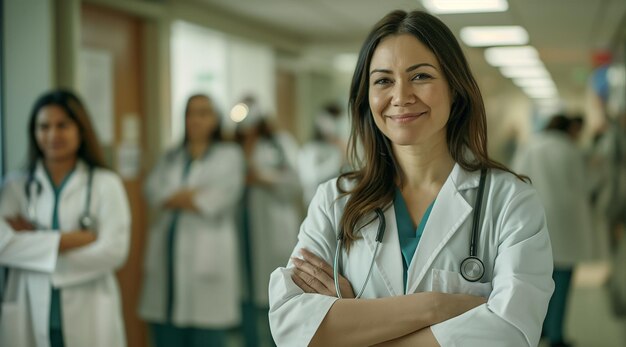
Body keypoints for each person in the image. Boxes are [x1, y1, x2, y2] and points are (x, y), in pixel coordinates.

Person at [268, 10, 554, 347]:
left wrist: (353, 320)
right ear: (367, 97)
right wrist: (436, 307)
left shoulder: (510, 201)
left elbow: (511, 333)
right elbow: (292, 324)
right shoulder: (335, 199)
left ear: (455, 88)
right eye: (383, 80)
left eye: (420, 76)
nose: (401, 96)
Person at [0, 89, 131, 347]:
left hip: (91, 310)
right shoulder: (16, 187)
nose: (52, 135)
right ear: (34, 132)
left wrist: (32, 244)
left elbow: (115, 251)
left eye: (63, 125)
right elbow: (2, 246)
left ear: (80, 130)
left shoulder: (106, 184)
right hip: (29, 307)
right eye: (43, 126)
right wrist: (73, 240)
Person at [138, 94, 245, 347]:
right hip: (168, 251)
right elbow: (152, 191)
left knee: (206, 333)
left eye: (203, 113)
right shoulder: (172, 156)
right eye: (190, 113)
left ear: (215, 119)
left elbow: (221, 198)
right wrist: (191, 195)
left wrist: (178, 197)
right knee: (166, 329)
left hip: (208, 256)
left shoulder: (229, 155)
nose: (195, 119)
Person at [513, 114, 594, 347]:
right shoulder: (570, 150)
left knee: (535, 284)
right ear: (570, 129)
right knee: (562, 282)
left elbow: (516, 178)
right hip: (566, 227)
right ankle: (556, 335)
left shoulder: (530, 145)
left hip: (532, 222)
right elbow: (585, 186)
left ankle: (538, 331)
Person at [235, 96, 301, 346]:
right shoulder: (234, 146)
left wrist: (263, 178)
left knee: (275, 296)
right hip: (242, 227)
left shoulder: (279, 143)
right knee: (248, 297)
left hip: (273, 228)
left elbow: (295, 182)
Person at [297, 102, 347, 206]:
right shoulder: (309, 149)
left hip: (338, 203)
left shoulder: (337, 147)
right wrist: (339, 159)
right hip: (316, 203)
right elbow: (310, 177)